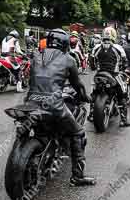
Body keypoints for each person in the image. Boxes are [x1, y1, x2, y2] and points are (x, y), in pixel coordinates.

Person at [25, 29, 96, 187]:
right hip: (54, 105)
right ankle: (77, 177)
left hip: (30, 103)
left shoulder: (35, 55)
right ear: (65, 43)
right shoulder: (68, 59)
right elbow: (77, 84)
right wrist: (85, 97)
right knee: (78, 133)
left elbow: (32, 80)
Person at [92, 27, 130, 127]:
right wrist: (121, 68)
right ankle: (124, 120)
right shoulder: (118, 48)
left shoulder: (96, 47)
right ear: (114, 35)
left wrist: (96, 68)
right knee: (123, 94)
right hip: (114, 75)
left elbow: (92, 63)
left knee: (95, 93)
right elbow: (125, 63)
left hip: (99, 75)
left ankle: (91, 114)